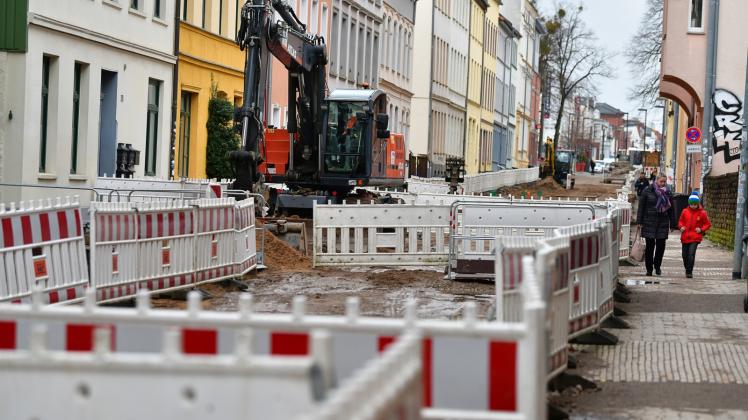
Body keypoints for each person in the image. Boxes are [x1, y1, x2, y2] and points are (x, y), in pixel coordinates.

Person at [637, 174, 675, 276]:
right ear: (656, 181)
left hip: (663, 222)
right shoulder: (647, 190)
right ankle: (649, 269)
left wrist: (672, 224)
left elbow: (671, 209)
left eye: (664, 182)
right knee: (649, 247)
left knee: (661, 246)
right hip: (649, 221)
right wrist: (639, 222)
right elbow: (641, 207)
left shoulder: (668, 192)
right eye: (661, 181)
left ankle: (657, 266)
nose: (663, 183)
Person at [678, 192, 711, 278]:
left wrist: (701, 229)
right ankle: (687, 268)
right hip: (685, 236)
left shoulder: (702, 213)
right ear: (689, 203)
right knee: (684, 255)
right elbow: (680, 221)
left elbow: (707, 224)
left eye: (695, 204)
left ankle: (689, 272)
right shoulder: (685, 211)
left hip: (695, 237)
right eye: (691, 204)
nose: (693, 206)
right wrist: (681, 227)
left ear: (698, 204)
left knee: (691, 254)